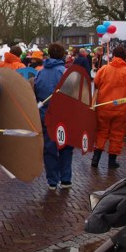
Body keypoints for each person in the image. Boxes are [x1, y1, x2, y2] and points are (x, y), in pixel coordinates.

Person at [91, 45, 126, 169]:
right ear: (125, 57)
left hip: (104, 106)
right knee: (117, 134)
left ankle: (95, 159)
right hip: (121, 108)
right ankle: (112, 161)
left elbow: (96, 83)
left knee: (101, 132)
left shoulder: (104, 69)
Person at [35, 43, 74, 189]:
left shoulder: (40, 73)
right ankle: (65, 179)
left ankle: (52, 180)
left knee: (50, 149)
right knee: (65, 147)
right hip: (64, 116)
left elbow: (37, 92)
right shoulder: (65, 73)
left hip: (46, 116)